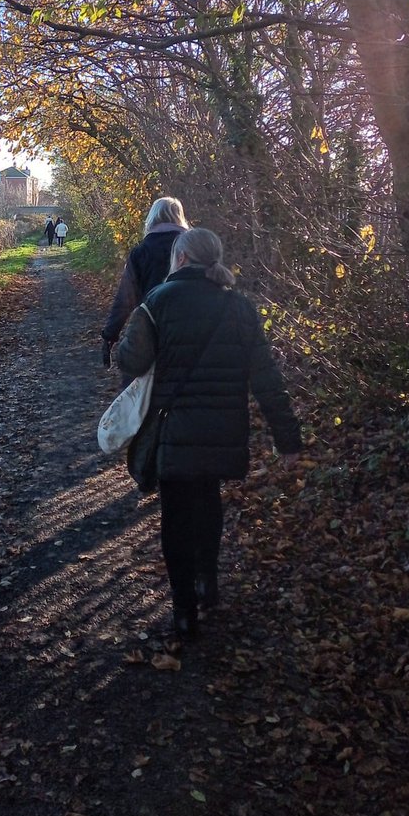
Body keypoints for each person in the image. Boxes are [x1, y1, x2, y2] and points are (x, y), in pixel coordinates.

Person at [112, 227, 302, 639]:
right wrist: (288, 438)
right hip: (222, 428)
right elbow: (266, 376)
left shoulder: (156, 302)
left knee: (176, 516)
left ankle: (184, 611)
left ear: (179, 258)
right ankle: (207, 582)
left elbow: (132, 360)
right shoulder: (239, 307)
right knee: (209, 503)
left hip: (173, 429)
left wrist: (121, 346)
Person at [101, 196, 189, 367]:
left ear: (153, 217)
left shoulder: (141, 252)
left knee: (141, 383)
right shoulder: (193, 247)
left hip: (151, 327)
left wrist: (110, 335)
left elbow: (126, 298)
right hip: (190, 325)